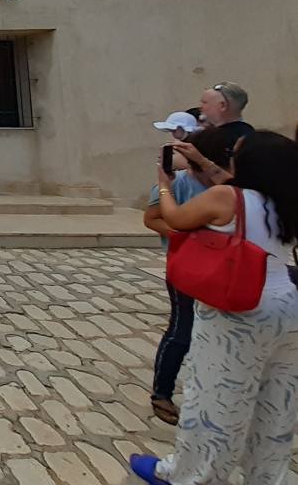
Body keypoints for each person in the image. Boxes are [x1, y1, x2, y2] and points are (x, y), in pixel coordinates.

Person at [130, 131, 298, 485]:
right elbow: (232, 182)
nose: (229, 159)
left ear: (250, 163)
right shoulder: (287, 201)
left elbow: (175, 218)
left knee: (216, 397)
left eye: (233, 153)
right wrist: (203, 161)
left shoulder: (226, 198)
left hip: (240, 306)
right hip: (287, 303)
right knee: (277, 401)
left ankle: (190, 475)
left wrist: (164, 186)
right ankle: (269, 477)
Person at [142, 126, 232, 425]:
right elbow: (152, 218)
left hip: (225, 268)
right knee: (182, 329)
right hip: (188, 266)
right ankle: (162, 392)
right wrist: (187, 238)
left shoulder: (229, 186)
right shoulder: (177, 184)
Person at [199, 81, 254, 156]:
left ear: (223, 106)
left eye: (204, 102)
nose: (200, 107)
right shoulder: (250, 134)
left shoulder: (219, 139)